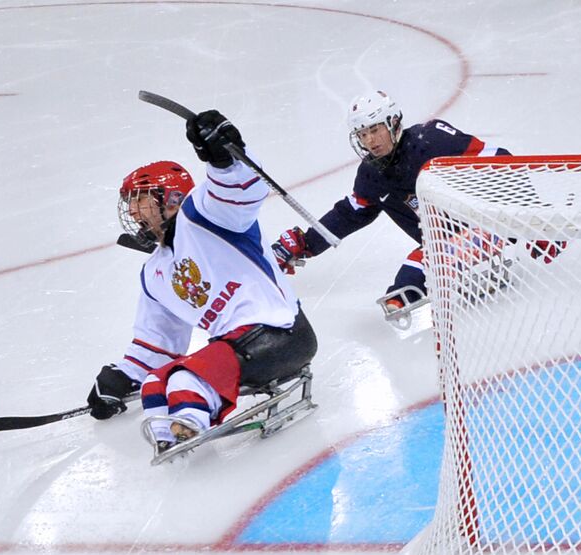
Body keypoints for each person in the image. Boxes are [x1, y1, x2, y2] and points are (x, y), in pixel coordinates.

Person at [87, 110, 318, 453]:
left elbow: (242, 189)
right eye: (131, 204)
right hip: (239, 349)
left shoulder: (206, 215)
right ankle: (169, 439)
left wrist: (224, 156)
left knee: (184, 379)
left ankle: (189, 427)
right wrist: (120, 379)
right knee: (154, 384)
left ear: (171, 199)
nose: (134, 212)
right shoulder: (155, 274)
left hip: (280, 333)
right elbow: (158, 345)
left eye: (141, 200)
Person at [270, 90, 554, 323]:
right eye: (362, 134)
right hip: (441, 240)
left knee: (416, 269)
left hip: (486, 224)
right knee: (423, 261)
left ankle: (408, 290)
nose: (369, 140)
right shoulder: (372, 172)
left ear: (393, 123)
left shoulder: (431, 142)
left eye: (374, 130)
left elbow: (499, 160)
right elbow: (351, 213)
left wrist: (530, 217)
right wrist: (306, 243)